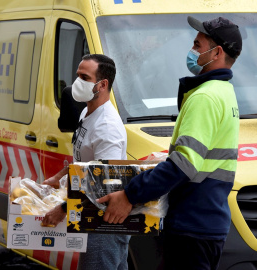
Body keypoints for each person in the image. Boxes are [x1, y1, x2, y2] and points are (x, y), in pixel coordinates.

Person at [97, 16, 242, 270]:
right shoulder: (225, 92)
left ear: (217, 52)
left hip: (192, 227)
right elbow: (198, 158)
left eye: (198, 45)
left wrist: (130, 194)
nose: (192, 50)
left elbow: (183, 165)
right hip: (209, 223)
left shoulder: (205, 97)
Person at [41, 54, 131, 270]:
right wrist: (59, 177)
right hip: (92, 217)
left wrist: (62, 209)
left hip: (104, 225)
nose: (77, 83)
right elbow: (86, 162)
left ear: (102, 84)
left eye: (84, 77)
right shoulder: (87, 112)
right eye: (77, 75)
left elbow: (102, 184)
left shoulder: (107, 128)